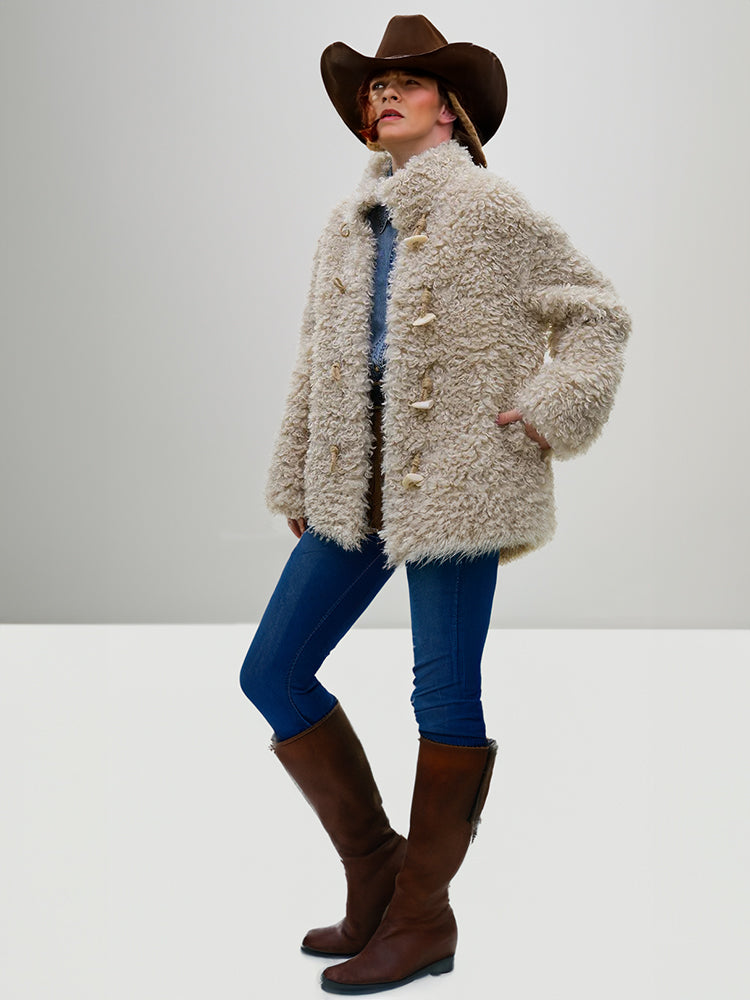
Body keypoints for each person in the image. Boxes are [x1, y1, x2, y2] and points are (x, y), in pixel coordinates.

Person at [240, 14, 631, 995]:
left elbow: (597, 312)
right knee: (272, 671)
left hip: (459, 480)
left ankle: (424, 918)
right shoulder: (346, 226)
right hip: (356, 483)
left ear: (449, 109)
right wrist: (300, 474)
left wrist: (545, 409)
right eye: (374, 87)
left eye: (405, 83)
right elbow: (317, 364)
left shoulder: (488, 207)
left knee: (444, 694)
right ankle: (378, 872)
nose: (384, 95)